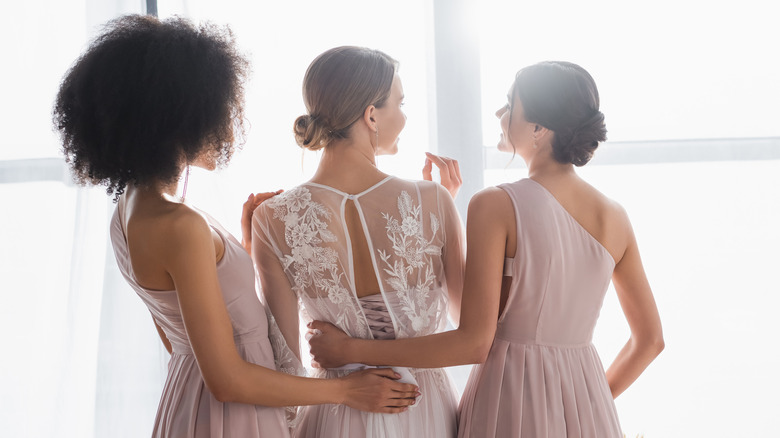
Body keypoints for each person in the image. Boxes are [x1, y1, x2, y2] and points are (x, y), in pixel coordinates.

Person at [53, 15, 418, 438]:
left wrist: (241, 252)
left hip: (193, 402)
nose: (228, 124)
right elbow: (227, 381)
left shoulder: (133, 210)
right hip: (233, 415)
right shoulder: (180, 225)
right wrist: (347, 392)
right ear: (180, 114)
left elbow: (183, 338)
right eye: (222, 105)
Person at [307, 61, 665, 437]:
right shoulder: (615, 216)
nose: (499, 113)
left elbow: (473, 343)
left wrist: (350, 350)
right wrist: (588, 403)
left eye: (510, 104)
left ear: (539, 128)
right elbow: (650, 340)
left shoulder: (496, 204)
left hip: (509, 401)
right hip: (587, 411)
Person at [251, 46, 466, 438]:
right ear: (371, 115)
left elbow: (284, 365)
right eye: (400, 103)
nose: (404, 116)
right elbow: (468, 335)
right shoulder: (433, 201)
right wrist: (444, 209)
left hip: (335, 417)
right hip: (424, 411)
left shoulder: (272, 218)